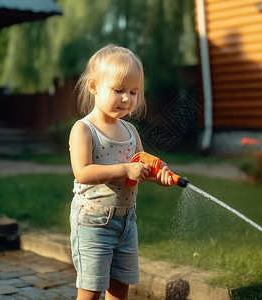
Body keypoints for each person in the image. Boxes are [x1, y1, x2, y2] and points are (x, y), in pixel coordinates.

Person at [69, 44, 175, 300]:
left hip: (126, 222)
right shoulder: (84, 130)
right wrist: (124, 168)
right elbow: (82, 172)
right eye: (119, 90)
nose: (127, 98)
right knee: (92, 290)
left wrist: (157, 173)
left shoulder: (131, 131)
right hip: (93, 223)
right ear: (94, 87)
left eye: (134, 92)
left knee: (120, 289)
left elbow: (139, 166)